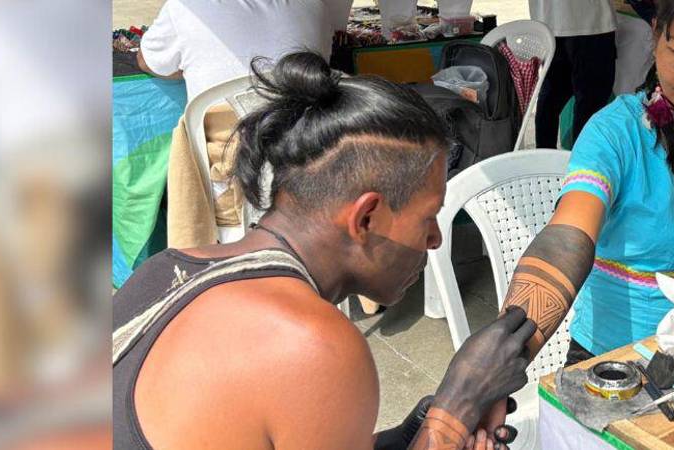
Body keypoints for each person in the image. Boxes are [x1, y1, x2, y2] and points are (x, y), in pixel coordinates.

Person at [112, 52, 532, 450]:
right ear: (366, 217)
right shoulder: (311, 347)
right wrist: (454, 409)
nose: (436, 238)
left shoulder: (163, 270)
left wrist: (403, 437)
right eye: (429, 216)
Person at [496, 0, 674, 363]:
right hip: (612, 370)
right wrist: (502, 360)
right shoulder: (617, 133)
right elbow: (566, 239)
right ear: (656, 36)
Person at [136, 0, 353, 101]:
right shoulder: (314, 6)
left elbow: (148, 62)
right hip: (307, 156)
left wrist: (193, 68)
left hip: (222, 168)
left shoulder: (183, 8)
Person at [529, 0, 618, 149]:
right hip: (592, 22)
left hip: (549, 21)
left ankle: (543, 159)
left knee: (551, 99)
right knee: (589, 105)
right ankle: (580, 165)